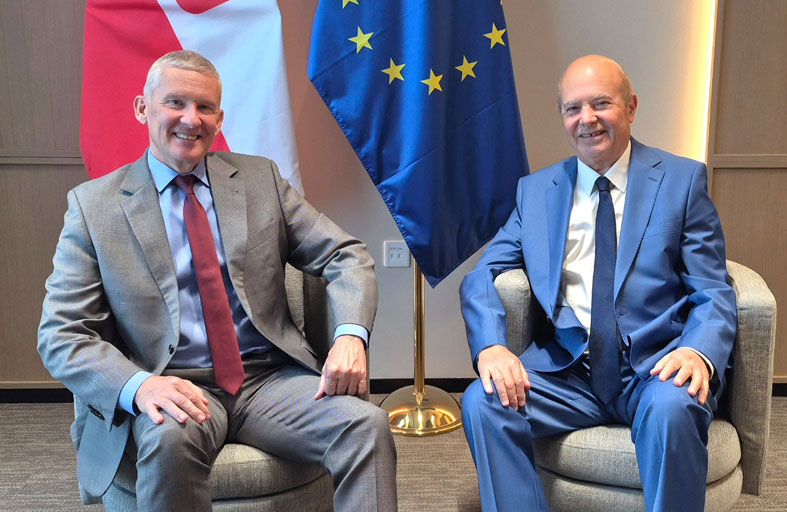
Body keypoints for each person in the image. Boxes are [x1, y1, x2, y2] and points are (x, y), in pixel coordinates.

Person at [38, 50, 397, 512]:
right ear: (143, 108)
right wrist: (139, 386)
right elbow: (62, 333)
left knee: (367, 426)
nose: (191, 119)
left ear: (219, 118)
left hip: (268, 380)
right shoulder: (95, 207)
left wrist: (350, 335)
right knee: (168, 438)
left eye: (205, 107)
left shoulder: (260, 180)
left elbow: (345, 254)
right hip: (171, 384)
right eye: (175, 102)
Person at [459, 55, 736, 512]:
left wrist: (698, 351)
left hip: (656, 366)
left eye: (601, 103)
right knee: (484, 401)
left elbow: (714, 288)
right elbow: (483, 274)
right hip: (570, 371)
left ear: (631, 107)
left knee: (672, 410)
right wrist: (491, 346)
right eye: (573, 108)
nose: (586, 119)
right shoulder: (537, 192)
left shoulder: (681, 180)